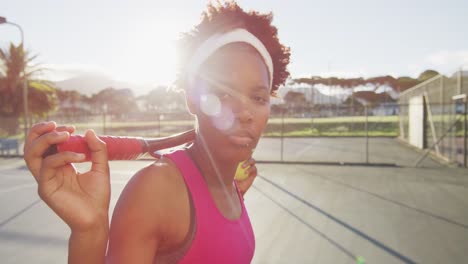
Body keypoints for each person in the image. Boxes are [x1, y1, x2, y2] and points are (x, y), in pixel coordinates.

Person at [23, 1, 290, 263]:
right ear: (192, 100)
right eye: (223, 92)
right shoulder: (156, 191)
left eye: (258, 98)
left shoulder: (231, 186)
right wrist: (89, 231)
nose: (245, 112)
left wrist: (232, 193)